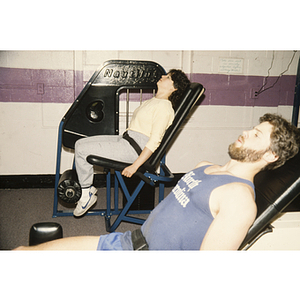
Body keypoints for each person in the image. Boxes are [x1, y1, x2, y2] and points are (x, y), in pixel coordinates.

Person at [15, 113, 299, 250]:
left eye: (257, 135)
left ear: (271, 155)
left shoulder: (239, 199)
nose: (246, 132)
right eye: (252, 127)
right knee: (21, 255)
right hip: (126, 241)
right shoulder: (205, 166)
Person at [73, 69, 191, 217]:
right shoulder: (154, 101)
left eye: (167, 77)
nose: (162, 76)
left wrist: (135, 166)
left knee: (83, 150)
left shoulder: (164, 108)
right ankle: (87, 190)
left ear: (174, 88)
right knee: (80, 144)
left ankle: (85, 194)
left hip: (135, 148)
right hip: (127, 139)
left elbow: (155, 141)